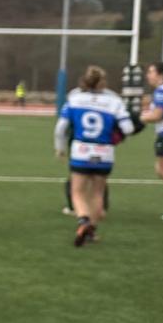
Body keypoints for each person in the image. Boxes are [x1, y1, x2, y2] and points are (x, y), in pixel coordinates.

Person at [55, 65, 134, 246]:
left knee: (78, 192)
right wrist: (117, 136)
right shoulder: (113, 101)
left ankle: (83, 221)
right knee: (98, 193)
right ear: (103, 82)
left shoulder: (75, 99)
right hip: (104, 151)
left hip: (81, 150)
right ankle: (92, 231)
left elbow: (60, 129)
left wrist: (60, 148)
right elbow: (128, 128)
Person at [141, 61, 163, 221]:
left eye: (151, 72)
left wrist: (139, 119)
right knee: (161, 170)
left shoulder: (161, 91)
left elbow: (157, 115)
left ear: (161, 75)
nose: (148, 75)